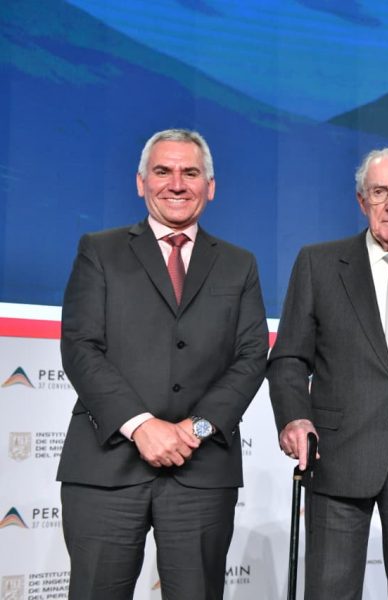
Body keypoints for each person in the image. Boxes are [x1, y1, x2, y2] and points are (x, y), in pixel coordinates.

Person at [57, 128, 269, 600]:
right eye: (163, 171)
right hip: (107, 466)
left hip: (201, 471)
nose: (176, 184)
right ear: (141, 183)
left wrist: (194, 429)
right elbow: (80, 346)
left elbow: (252, 355)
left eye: (190, 173)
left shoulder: (239, 264)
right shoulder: (100, 250)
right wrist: (141, 426)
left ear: (210, 187)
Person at [267, 148, 388, 600]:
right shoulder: (319, 263)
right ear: (361, 200)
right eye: (379, 192)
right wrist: (295, 417)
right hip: (337, 457)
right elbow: (289, 358)